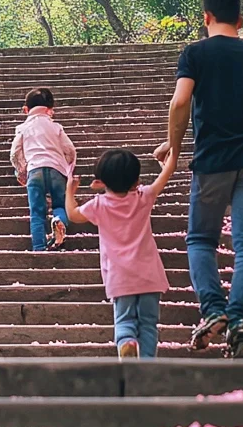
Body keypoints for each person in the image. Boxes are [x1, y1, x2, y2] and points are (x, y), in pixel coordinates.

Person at [155, 0, 243, 360]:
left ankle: (213, 310)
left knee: (200, 240)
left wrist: (174, 148)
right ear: (241, 21)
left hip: (212, 162)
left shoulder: (195, 54)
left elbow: (180, 102)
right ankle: (241, 319)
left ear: (206, 17)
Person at [65, 147, 177, 359]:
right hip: (149, 275)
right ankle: (145, 363)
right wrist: (169, 156)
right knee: (149, 324)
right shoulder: (144, 196)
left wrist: (70, 191)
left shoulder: (99, 205)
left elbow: (72, 214)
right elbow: (167, 172)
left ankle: (127, 342)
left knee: (124, 321)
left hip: (120, 277)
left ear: (102, 181)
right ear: (136, 180)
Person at [10, 87, 76, 252]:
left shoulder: (23, 128)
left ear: (26, 109)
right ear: (50, 110)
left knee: (37, 212)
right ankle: (59, 220)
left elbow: (14, 153)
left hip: (35, 170)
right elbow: (70, 150)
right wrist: (67, 168)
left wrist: (21, 171)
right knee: (60, 204)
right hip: (57, 170)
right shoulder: (56, 127)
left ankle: (39, 247)